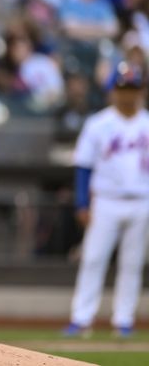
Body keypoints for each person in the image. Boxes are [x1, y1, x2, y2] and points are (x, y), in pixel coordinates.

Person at [64, 63, 149, 338]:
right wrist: (81, 203)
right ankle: (81, 318)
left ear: (141, 90)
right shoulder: (99, 123)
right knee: (93, 258)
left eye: (133, 88)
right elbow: (83, 166)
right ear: (113, 90)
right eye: (123, 88)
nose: (127, 94)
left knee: (132, 263)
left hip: (141, 200)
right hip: (106, 200)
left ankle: (124, 320)